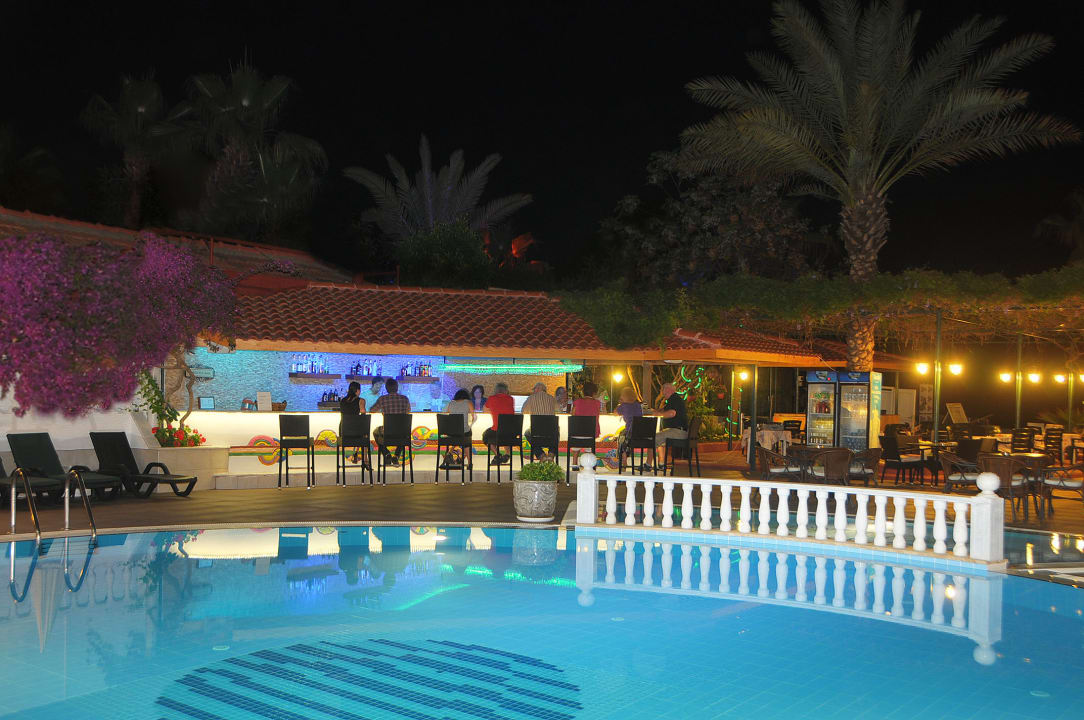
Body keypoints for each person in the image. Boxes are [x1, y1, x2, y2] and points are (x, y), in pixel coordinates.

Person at [371, 378, 411, 466]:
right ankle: (396, 456)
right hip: (402, 433)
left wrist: (382, 410)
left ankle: (386, 454)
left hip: (387, 433)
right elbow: (408, 412)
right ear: (397, 388)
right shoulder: (405, 399)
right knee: (404, 433)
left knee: (375, 432)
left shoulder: (382, 399)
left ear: (386, 388)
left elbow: (372, 410)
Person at [654, 382, 688, 464]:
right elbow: (664, 410)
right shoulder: (674, 399)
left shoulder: (674, 400)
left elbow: (672, 413)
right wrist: (656, 411)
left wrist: (658, 414)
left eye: (662, 390)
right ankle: (661, 463)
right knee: (660, 437)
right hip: (680, 431)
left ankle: (649, 464)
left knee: (653, 438)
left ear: (667, 390)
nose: (662, 392)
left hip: (678, 431)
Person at [481, 382, 515, 463]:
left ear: (496, 390)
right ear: (506, 390)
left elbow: (484, 410)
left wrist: (493, 411)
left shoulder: (491, 398)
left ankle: (497, 454)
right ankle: (507, 454)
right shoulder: (511, 399)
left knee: (485, 436)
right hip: (511, 432)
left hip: (497, 431)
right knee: (505, 434)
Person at [522, 382, 557, 459]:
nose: (533, 391)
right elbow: (560, 411)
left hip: (536, 432)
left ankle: (540, 454)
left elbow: (523, 411)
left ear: (537, 389)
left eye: (534, 389)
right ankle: (551, 453)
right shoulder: (552, 398)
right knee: (557, 431)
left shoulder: (531, 398)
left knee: (527, 433)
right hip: (550, 433)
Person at [615, 387, 644, 466]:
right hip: (641, 433)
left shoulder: (624, 405)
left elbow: (616, 412)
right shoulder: (638, 405)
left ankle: (624, 459)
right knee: (625, 436)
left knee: (621, 438)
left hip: (630, 432)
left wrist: (620, 404)